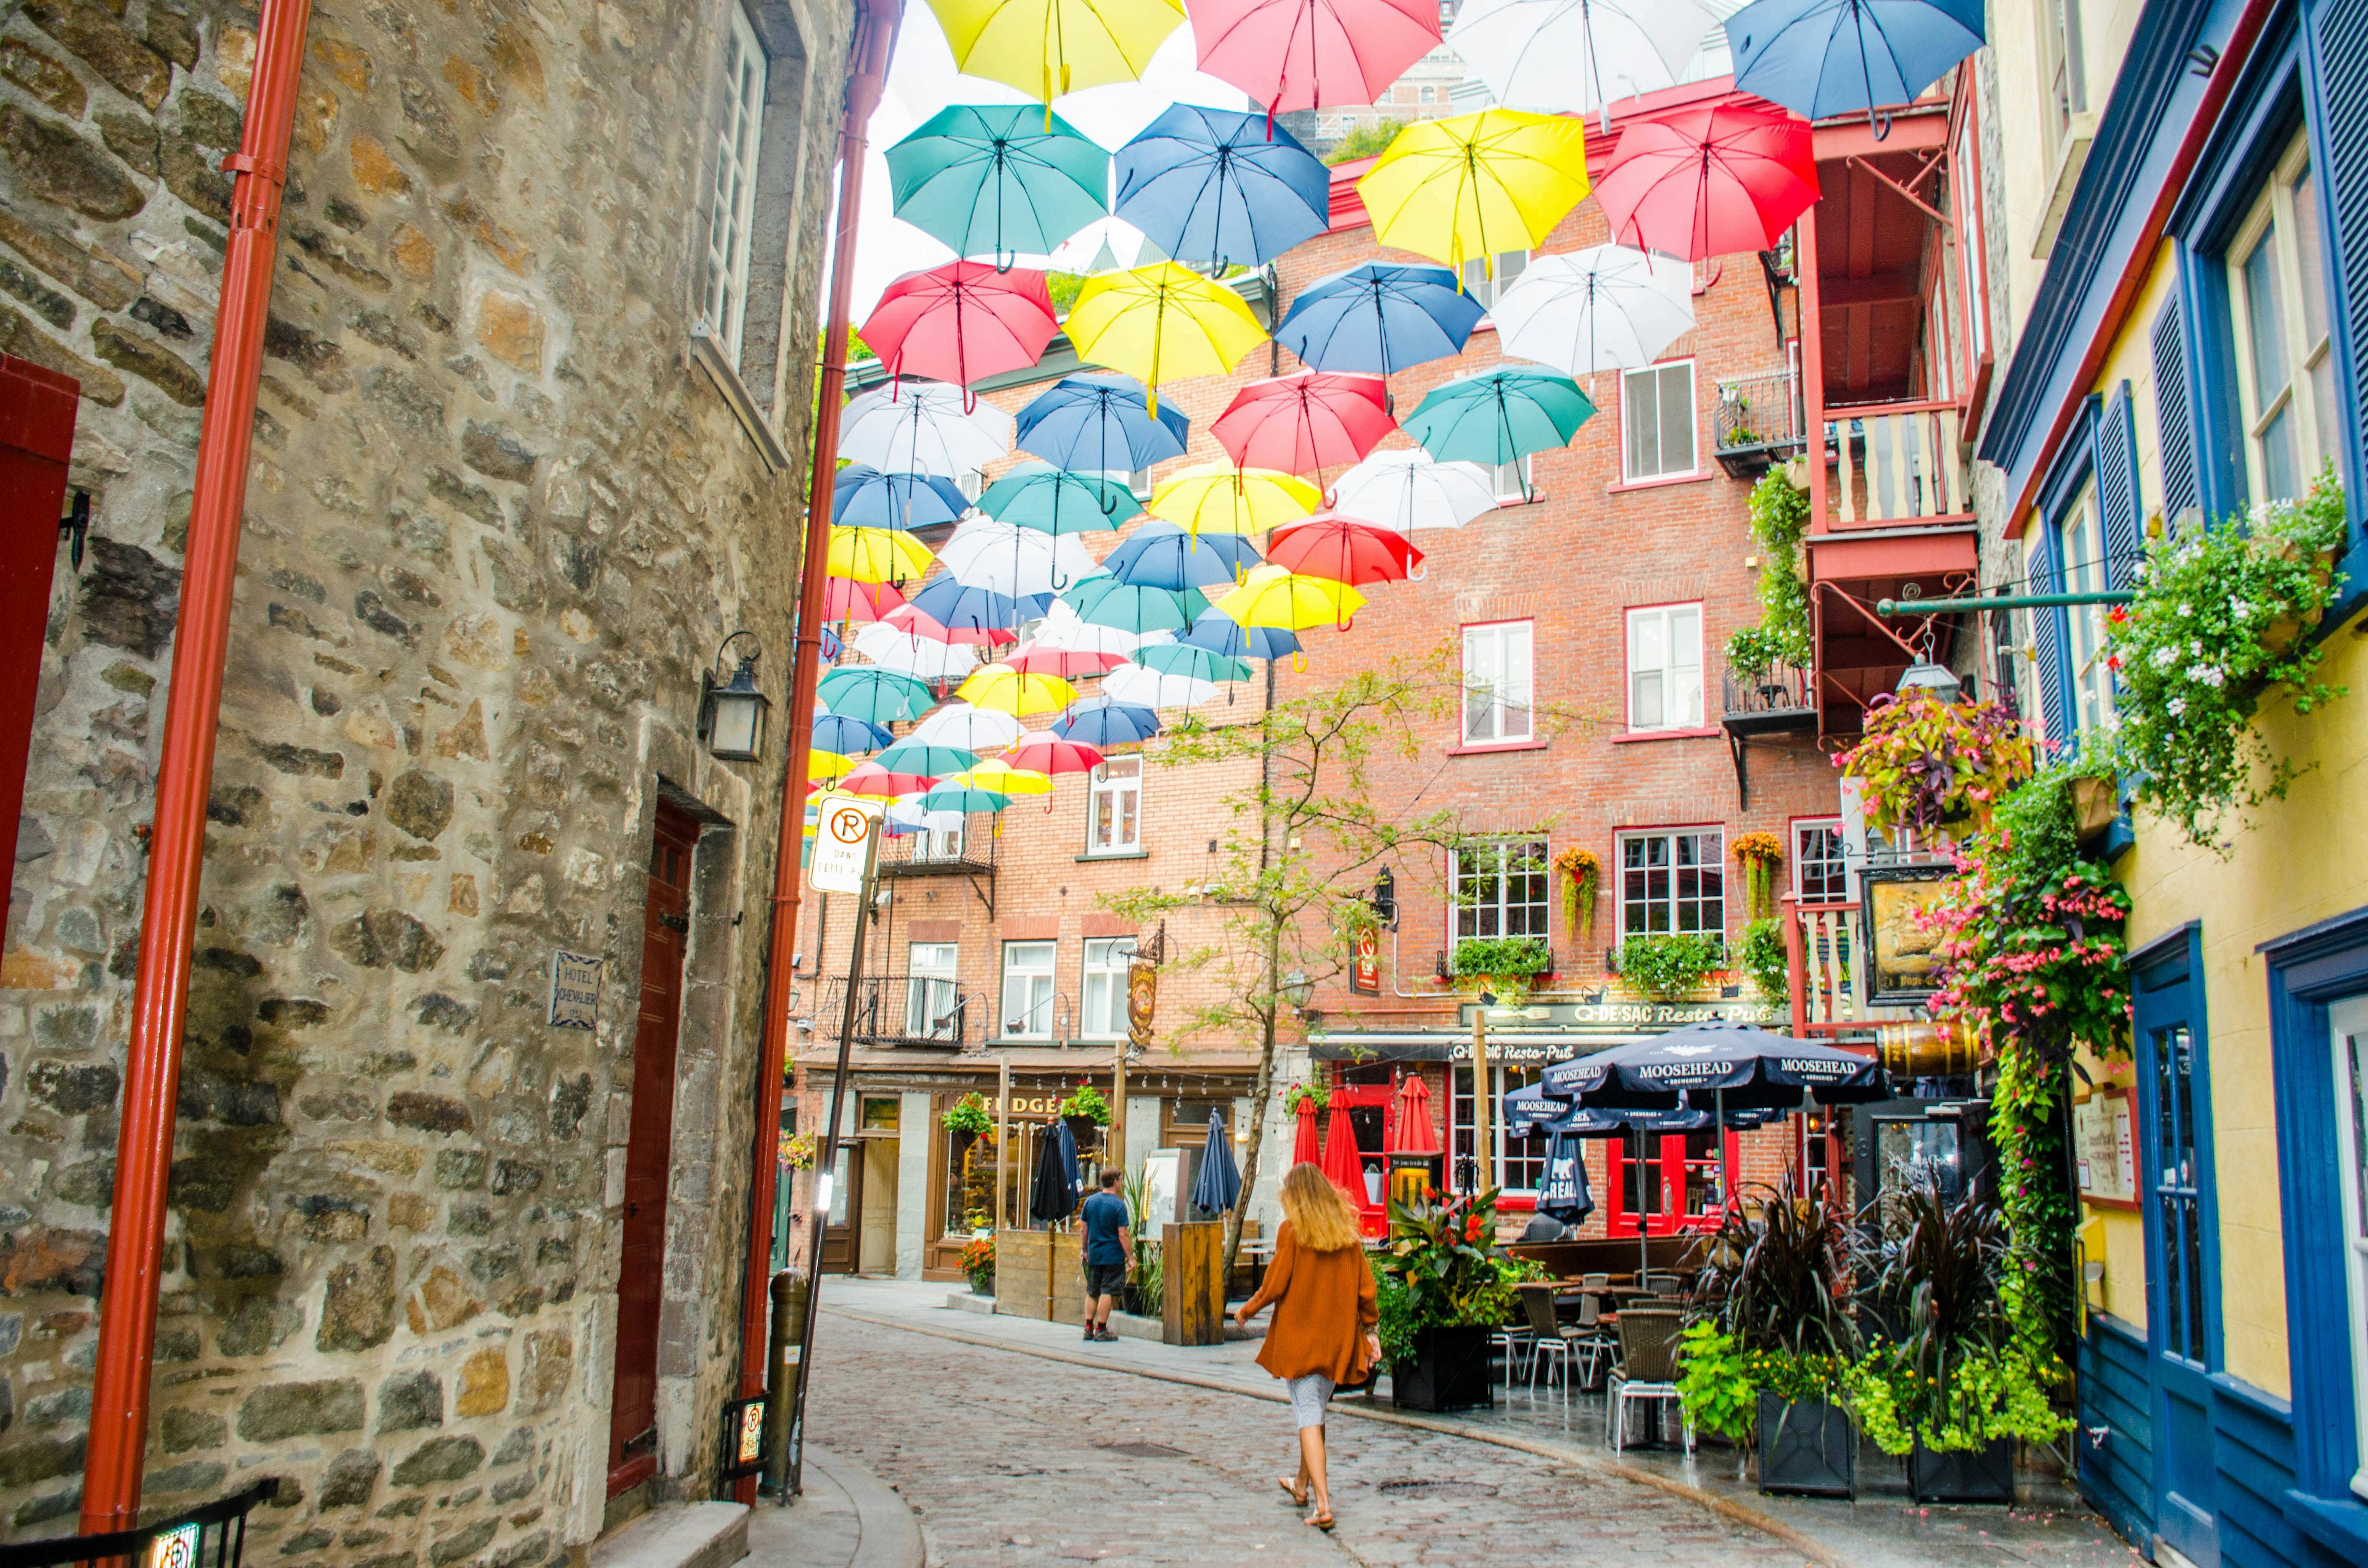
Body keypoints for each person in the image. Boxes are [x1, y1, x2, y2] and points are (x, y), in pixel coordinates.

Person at [1232, 1164, 1377, 1533]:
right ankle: (1301, 1484)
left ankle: (1324, 1504)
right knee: (1314, 1413)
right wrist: (1372, 1333)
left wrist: (1246, 1310)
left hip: (1301, 1340)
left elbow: (1275, 1284)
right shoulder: (1347, 1235)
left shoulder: (1292, 1232)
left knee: (1309, 1416)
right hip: (1338, 1342)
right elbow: (1366, 1290)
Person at [1078, 1167, 1132, 1343]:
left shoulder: (1090, 1202)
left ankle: (1088, 1328)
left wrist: (1084, 1249)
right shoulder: (1118, 1205)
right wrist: (1130, 1257)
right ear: (1115, 1182)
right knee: (1107, 1291)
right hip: (1112, 1256)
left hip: (1094, 1254)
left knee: (1092, 1291)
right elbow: (1122, 1234)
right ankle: (1101, 1329)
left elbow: (1083, 1229)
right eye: (1120, 1180)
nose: (1121, 1183)